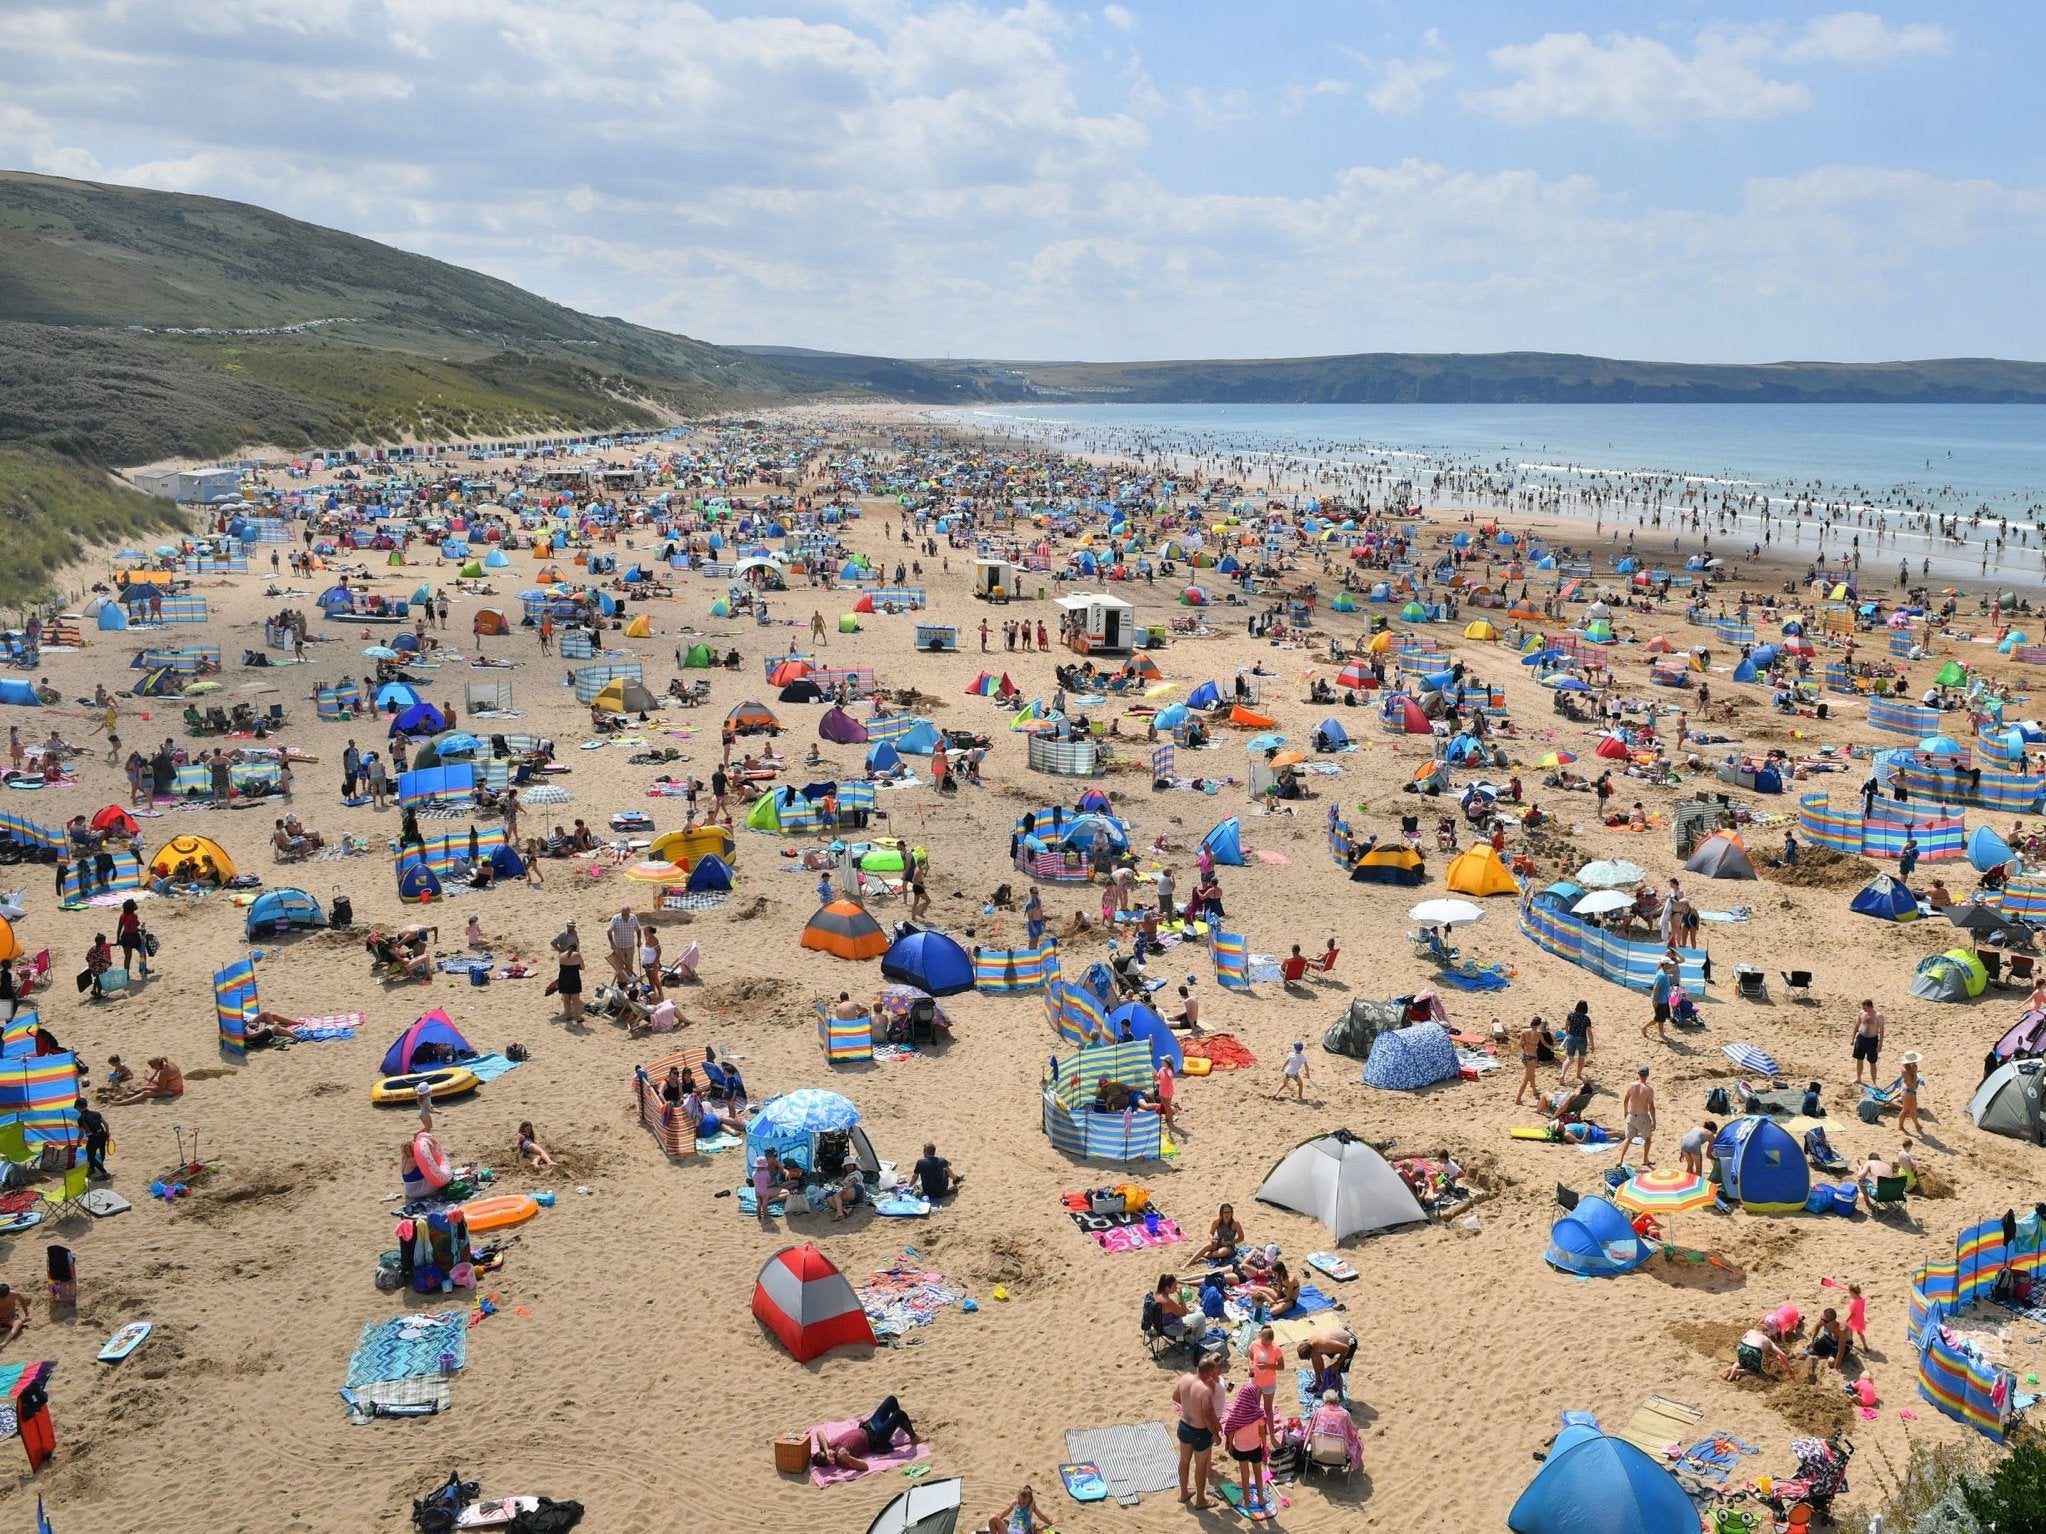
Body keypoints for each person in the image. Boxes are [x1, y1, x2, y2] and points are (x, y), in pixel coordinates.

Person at [1172, 1354, 1225, 1509]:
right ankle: (1200, 1500)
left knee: (1184, 1461)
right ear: (1209, 1373)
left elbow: (1176, 1397)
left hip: (1184, 1425)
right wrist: (1216, 1435)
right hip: (1200, 1431)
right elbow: (1208, 1418)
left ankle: (1183, 1493)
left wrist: (1190, 1405)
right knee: (1200, 1466)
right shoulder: (1205, 1390)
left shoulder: (1185, 1378)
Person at [810, 1396, 917, 1473]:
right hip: (875, 1438)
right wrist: (848, 1458)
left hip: (867, 1426)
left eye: (826, 1454)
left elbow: (820, 1434)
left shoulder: (828, 1447)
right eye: (828, 1460)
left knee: (891, 1400)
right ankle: (914, 1438)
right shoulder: (842, 1460)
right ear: (830, 1464)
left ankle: (902, 1422)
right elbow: (865, 1467)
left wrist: (826, 1449)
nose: (830, 1455)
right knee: (900, 1414)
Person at [1307, 1389, 1363, 1472]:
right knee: (1357, 1441)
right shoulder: (1344, 1414)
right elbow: (1352, 1434)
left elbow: (1310, 1430)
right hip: (1340, 1458)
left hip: (1319, 1454)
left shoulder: (1319, 1412)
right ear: (1337, 1400)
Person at [1247, 1323, 1285, 1428]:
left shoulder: (1276, 1348)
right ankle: (1256, 1428)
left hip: (1269, 1382)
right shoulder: (1255, 1344)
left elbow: (1282, 1366)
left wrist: (1267, 1366)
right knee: (1255, 1406)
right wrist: (1250, 1366)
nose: (1262, 1342)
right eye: (1261, 1339)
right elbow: (1250, 1356)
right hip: (1255, 1381)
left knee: (1268, 1408)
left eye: (1265, 1341)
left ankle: (1270, 1431)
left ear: (1270, 1340)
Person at [1723, 1325, 1791, 1381]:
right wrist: (1789, 1369)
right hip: (1753, 1350)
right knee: (1755, 1370)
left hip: (1741, 1346)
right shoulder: (1767, 1340)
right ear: (1765, 1333)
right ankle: (1737, 1371)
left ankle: (1732, 1367)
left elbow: (1742, 1339)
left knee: (1742, 1363)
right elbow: (1782, 1355)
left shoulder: (1750, 1331)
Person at [1620, 1065, 1657, 1165]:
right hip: (1643, 1117)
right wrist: (1654, 1120)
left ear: (1638, 1074)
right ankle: (1645, 1159)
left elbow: (1625, 1100)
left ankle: (1620, 1159)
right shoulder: (1649, 1089)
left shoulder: (1631, 1085)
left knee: (1628, 1139)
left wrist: (1625, 1112)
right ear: (1647, 1075)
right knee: (1648, 1138)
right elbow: (1651, 1107)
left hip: (1631, 1115)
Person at [108, 1056, 182, 1105]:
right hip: (175, 1084)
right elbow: (161, 1079)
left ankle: (121, 1103)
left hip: (173, 1090)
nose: (152, 1068)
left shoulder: (164, 1072)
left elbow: (160, 1089)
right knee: (152, 1081)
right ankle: (132, 1093)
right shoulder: (167, 1063)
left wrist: (146, 1088)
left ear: (157, 1064)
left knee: (145, 1093)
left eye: (152, 1066)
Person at [1803, 1307, 1852, 1375]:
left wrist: (1835, 1369)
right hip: (1829, 1338)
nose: (1822, 1321)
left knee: (1831, 1362)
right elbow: (1817, 1326)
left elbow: (1841, 1349)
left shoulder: (1842, 1328)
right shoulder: (1824, 1319)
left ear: (1833, 1321)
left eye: (1825, 1321)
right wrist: (1812, 1340)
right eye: (1822, 1318)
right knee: (1812, 1350)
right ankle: (1829, 1350)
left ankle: (1845, 1355)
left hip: (1844, 1344)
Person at [1852, 999, 1885, 1086]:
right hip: (1861, 1037)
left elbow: (1881, 1030)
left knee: (1872, 1062)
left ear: (1869, 1006)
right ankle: (1858, 1078)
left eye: (1864, 1007)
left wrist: (1880, 1044)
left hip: (1872, 1039)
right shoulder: (1862, 1013)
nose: (1863, 1009)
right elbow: (1857, 1024)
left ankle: (1874, 1082)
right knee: (1859, 1059)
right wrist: (1853, 1038)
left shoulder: (1878, 1016)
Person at [1514, 1017, 1545, 1105]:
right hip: (1532, 1057)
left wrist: (1526, 1048)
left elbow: (1520, 1044)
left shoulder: (1524, 1031)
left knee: (1531, 1074)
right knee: (1526, 1079)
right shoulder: (1538, 1033)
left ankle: (1534, 1090)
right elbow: (1544, 1043)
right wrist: (1551, 1048)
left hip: (1524, 1056)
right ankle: (1518, 1099)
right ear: (1539, 1024)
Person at [1561, 1000, 1593, 1083]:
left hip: (1571, 1037)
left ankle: (1563, 1075)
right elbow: (1589, 1032)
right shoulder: (1586, 1019)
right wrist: (1592, 1045)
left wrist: (1568, 1035)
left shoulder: (1571, 1015)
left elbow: (1566, 1026)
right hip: (1582, 1039)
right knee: (1581, 1058)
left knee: (1569, 1058)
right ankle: (1578, 1074)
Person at [76, 1098, 110, 1178]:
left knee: (90, 1156)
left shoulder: (81, 1119)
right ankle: (92, 1169)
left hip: (94, 1138)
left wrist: (78, 1142)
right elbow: (106, 1124)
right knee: (101, 1152)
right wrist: (108, 1133)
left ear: (78, 1107)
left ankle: (104, 1173)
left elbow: (81, 1133)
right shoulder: (96, 1113)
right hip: (103, 1135)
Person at [1898, 1051, 1924, 1135]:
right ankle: (1900, 1126)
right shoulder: (1906, 1070)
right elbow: (1911, 1083)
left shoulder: (1910, 1067)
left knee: (1913, 1110)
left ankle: (1917, 1125)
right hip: (1908, 1092)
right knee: (1905, 1110)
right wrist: (1915, 1073)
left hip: (1910, 1091)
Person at [0, 1285, 27, 1351]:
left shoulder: (14, 1294)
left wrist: (27, 1314)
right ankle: (3, 1329)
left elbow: (22, 1302)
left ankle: (4, 1343)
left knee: (18, 1323)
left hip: (11, 1317)